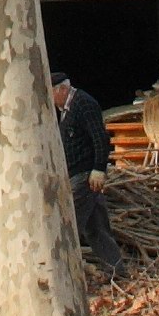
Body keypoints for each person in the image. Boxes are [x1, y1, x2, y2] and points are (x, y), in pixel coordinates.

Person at [53, 67, 127, 278]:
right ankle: (117, 272)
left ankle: (64, 275)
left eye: (51, 92)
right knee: (96, 230)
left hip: (85, 176)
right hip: (77, 175)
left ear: (61, 90)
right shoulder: (66, 109)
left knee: (68, 225)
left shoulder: (83, 104)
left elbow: (100, 138)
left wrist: (98, 169)